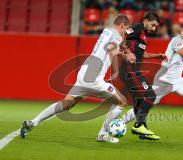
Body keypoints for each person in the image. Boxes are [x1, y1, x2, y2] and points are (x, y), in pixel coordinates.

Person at [20, 15, 135, 143]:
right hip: (93, 77)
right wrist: (123, 58)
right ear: (122, 26)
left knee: (67, 104)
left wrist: (123, 53)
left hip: (84, 73)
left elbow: (111, 47)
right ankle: (103, 134)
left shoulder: (106, 31)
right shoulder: (116, 37)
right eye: (126, 29)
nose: (126, 32)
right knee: (121, 102)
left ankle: (33, 122)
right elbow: (112, 48)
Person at [122, 23, 183, 137]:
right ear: (181, 31)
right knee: (147, 104)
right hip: (163, 80)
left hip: (177, 80)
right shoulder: (176, 40)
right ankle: (120, 123)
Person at [98, 12, 167, 141]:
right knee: (151, 95)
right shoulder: (137, 28)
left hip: (131, 70)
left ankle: (143, 130)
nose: (154, 28)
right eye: (152, 25)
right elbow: (122, 39)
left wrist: (156, 56)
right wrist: (128, 53)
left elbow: (141, 54)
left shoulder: (144, 35)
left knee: (139, 101)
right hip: (130, 69)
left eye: (156, 26)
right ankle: (139, 125)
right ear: (146, 21)